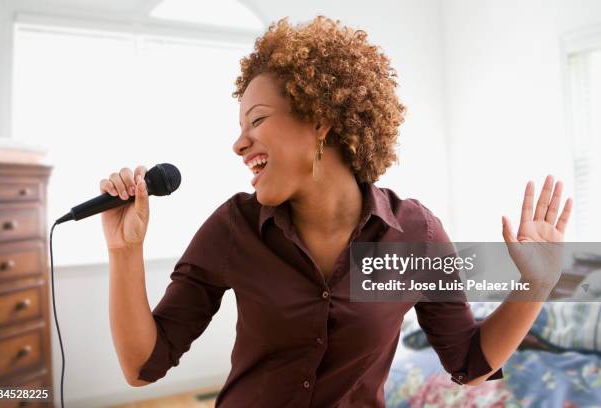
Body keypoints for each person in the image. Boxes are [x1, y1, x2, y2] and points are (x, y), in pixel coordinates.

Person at [101, 16, 573, 407]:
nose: (238, 143)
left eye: (257, 119)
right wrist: (125, 252)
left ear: (321, 119)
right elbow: (145, 366)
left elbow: (469, 364)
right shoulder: (234, 227)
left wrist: (536, 285)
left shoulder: (414, 233)